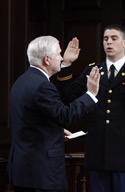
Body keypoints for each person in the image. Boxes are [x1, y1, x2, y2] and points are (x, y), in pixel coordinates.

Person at [57, 24, 125, 192]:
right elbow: (68, 97)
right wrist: (66, 64)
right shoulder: (93, 69)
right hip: (98, 152)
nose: (108, 42)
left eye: (114, 38)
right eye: (105, 39)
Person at [8, 36, 100, 192]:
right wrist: (90, 94)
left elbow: (32, 120)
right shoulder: (43, 86)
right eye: (59, 53)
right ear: (47, 59)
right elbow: (65, 116)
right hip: (41, 172)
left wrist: (55, 129)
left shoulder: (22, 81)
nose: (62, 58)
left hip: (24, 169)